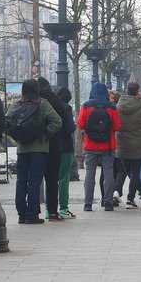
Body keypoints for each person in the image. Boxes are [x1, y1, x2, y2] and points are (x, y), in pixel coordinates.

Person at [6, 78, 62, 224]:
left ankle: (21, 214)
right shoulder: (42, 104)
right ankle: (32, 215)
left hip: (22, 149)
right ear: (37, 89)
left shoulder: (16, 105)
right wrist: (46, 134)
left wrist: (17, 137)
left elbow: (6, 123)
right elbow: (57, 121)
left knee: (21, 181)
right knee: (35, 181)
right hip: (39, 149)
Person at [76, 81, 121, 212]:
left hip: (90, 145)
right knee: (108, 174)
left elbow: (80, 123)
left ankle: (88, 203)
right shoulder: (112, 107)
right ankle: (107, 202)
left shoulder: (86, 106)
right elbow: (118, 126)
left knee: (90, 174)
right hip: (108, 145)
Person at [114, 82, 141, 209]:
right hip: (138, 144)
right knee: (134, 172)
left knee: (128, 171)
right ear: (138, 92)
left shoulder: (117, 107)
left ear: (126, 91)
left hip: (122, 144)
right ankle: (132, 199)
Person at [37, 78, 67, 221]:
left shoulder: (33, 100)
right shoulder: (55, 100)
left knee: (34, 179)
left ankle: (31, 212)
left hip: (35, 144)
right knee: (52, 179)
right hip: (54, 144)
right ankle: (52, 211)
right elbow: (64, 120)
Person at [54, 87, 77, 220]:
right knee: (63, 178)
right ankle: (63, 208)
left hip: (51, 147)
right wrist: (73, 126)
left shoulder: (49, 106)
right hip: (65, 146)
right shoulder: (66, 108)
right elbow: (68, 128)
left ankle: (49, 209)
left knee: (51, 179)